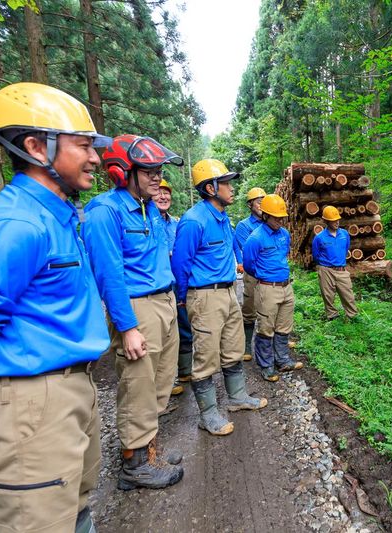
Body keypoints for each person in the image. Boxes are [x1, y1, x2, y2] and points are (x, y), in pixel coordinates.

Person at [0, 82, 110, 532]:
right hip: (28, 401)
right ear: (35, 146)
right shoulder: (14, 223)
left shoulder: (57, 216)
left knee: (74, 508)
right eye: (83, 145)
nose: (95, 158)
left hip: (66, 389)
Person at [82, 134, 184, 490]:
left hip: (164, 301)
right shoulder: (105, 211)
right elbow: (108, 275)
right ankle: (134, 463)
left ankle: (148, 447)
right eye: (149, 171)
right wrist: (127, 327)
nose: (157, 177)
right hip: (138, 308)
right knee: (138, 385)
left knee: (161, 381)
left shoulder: (150, 207)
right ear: (122, 171)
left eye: (159, 170)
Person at [171, 159, 267, 436]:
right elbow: (180, 264)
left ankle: (237, 397)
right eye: (225, 183)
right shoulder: (193, 221)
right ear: (211, 188)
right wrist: (182, 298)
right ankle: (208, 414)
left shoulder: (224, 219)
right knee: (206, 355)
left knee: (233, 347)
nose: (231, 188)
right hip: (204, 296)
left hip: (227, 292)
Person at [243, 194, 303, 382]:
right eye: (276, 217)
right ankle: (266, 365)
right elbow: (249, 264)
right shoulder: (255, 238)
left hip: (286, 286)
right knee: (266, 328)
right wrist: (265, 276)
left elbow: (284, 255)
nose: (280, 220)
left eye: (282, 217)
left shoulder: (284, 234)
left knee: (284, 326)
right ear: (266, 215)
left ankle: (282, 359)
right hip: (268, 288)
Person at [155, 179, 193, 396]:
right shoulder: (148, 221)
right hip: (157, 288)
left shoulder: (177, 224)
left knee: (183, 328)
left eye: (166, 193)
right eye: (158, 193)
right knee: (161, 335)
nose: (163, 197)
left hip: (177, 284)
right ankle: (162, 385)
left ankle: (185, 371)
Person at [234, 186, 267, 359]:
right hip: (253, 273)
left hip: (270, 273)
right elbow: (249, 250)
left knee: (271, 307)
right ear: (250, 205)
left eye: (264, 202)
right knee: (249, 308)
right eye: (259, 202)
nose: (262, 205)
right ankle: (246, 345)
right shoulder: (243, 226)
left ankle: (276, 342)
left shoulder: (271, 222)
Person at [311, 205, 358, 321]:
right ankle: (332, 317)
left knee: (348, 294)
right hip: (326, 269)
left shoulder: (344, 234)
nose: (337, 222)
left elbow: (346, 248)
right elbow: (316, 255)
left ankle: (352, 317)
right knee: (328, 295)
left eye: (337, 219)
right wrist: (325, 265)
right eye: (333, 220)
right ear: (326, 221)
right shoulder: (319, 238)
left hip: (341, 269)